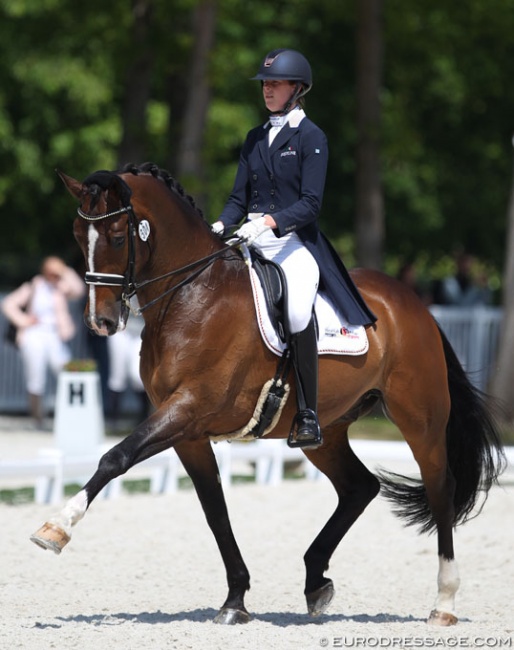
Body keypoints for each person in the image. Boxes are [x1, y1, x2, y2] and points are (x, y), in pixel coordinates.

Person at [211, 48, 376, 447]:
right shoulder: (254, 138)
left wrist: (269, 221)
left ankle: (307, 414)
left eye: (275, 84)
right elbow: (238, 197)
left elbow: (311, 203)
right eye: (265, 84)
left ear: (296, 89)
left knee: (299, 308)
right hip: (251, 237)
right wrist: (218, 224)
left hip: (293, 243)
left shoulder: (311, 137)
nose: (267, 90)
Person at [1, 256, 85, 429]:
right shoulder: (34, 285)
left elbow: (79, 289)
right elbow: (8, 304)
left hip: (54, 335)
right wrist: (23, 320)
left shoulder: (61, 288)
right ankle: (37, 417)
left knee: (67, 370)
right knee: (36, 377)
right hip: (33, 334)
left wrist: (64, 271)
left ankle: (72, 414)